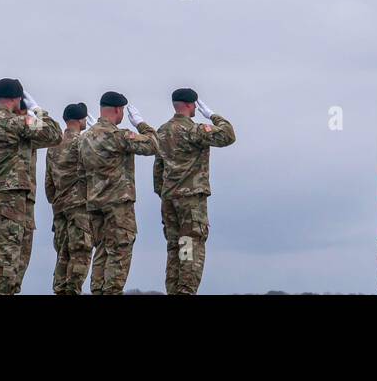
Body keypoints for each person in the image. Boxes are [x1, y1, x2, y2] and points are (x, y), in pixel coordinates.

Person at [0, 78, 61, 294]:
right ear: (17, 98)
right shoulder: (14, 124)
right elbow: (54, 134)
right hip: (10, 201)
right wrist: (37, 110)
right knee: (9, 264)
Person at [152, 88, 235, 295]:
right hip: (190, 201)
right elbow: (228, 135)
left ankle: (173, 290)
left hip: (169, 199)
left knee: (174, 248)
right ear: (191, 105)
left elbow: (158, 168)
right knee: (189, 246)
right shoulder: (194, 130)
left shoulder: (162, 131)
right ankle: (185, 291)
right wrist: (213, 115)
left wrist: (163, 192)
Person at [79, 92, 158, 294]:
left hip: (94, 205)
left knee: (102, 252)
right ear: (118, 110)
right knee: (119, 253)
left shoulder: (85, 137)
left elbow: (80, 173)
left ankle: (97, 291)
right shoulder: (119, 136)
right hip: (118, 206)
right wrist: (141, 124)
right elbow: (153, 144)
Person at [44, 102, 92, 294]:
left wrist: (56, 200)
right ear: (81, 120)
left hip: (59, 207)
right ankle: (72, 290)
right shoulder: (81, 143)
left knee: (63, 254)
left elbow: (49, 183)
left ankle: (60, 289)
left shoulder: (53, 146)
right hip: (79, 207)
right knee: (80, 253)